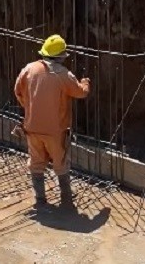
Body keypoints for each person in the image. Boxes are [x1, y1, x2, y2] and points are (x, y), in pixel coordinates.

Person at [13, 34, 90, 209]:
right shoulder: (63, 74)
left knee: (36, 164)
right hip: (56, 131)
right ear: (62, 56)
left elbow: (18, 90)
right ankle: (66, 201)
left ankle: (40, 200)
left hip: (32, 127)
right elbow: (80, 92)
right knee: (60, 164)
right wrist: (86, 83)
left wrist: (31, 107)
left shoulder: (29, 69)